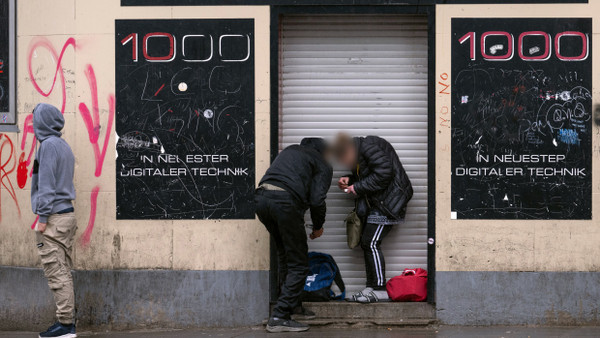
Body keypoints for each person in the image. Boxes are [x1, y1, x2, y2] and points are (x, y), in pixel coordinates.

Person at [255, 138, 333, 333]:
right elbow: (317, 200)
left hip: (261, 199)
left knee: (285, 256)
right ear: (323, 151)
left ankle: (292, 305)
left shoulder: (290, 151)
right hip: (284, 203)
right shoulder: (322, 163)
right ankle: (280, 315)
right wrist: (318, 226)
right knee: (299, 263)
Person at [333, 133, 413, 303]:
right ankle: (371, 287)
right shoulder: (361, 152)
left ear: (349, 150)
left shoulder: (368, 147)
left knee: (371, 243)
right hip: (380, 202)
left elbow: (384, 173)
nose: (345, 164)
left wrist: (357, 186)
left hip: (389, 202)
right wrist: (351, 179)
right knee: (367, 243)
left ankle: (379, 289)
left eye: (345, 160)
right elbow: (372, 173)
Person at [31, 103, 78, 338]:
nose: (32, 125)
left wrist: (42, 217)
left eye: (35, 120)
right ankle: (65, 323)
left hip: (54, 218)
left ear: (42, 122)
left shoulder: (48, 146)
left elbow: (47, 185)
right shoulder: (63, 145)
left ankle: (66, 325)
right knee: (62, 270)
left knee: (56, 271)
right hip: (65, 215)